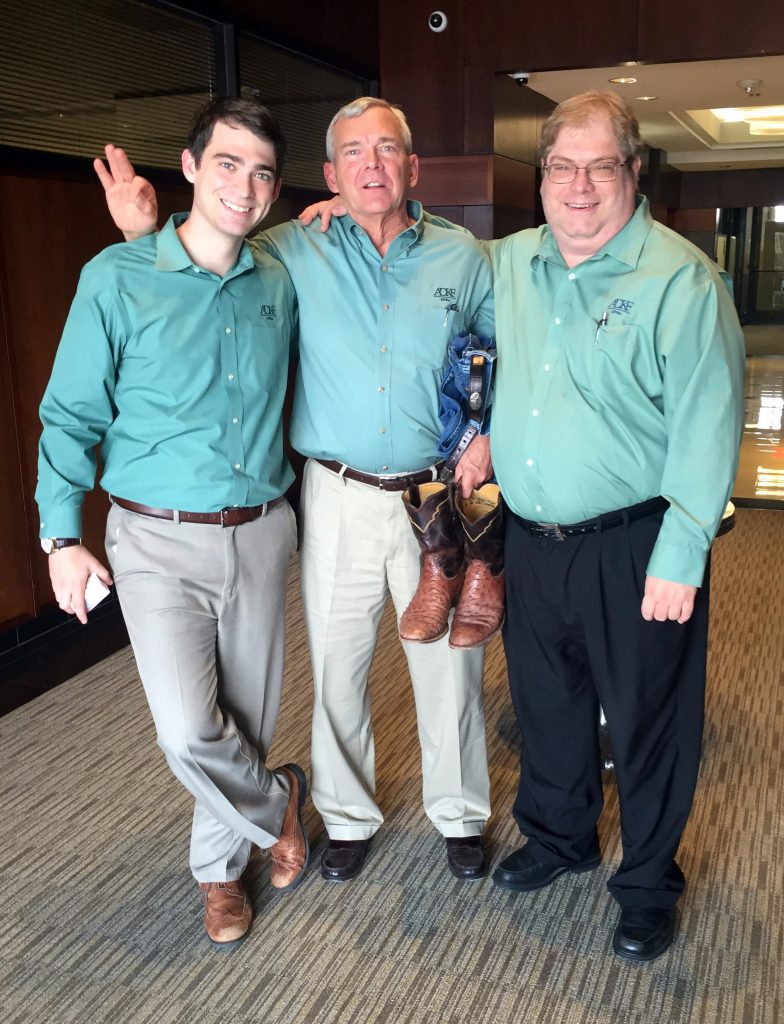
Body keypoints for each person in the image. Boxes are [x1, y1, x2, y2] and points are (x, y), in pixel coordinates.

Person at [99, 98, 496, 884]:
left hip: (435, 496)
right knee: (337, 666)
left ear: (414, 167)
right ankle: (346, 815)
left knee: (449, 665)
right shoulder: (289, 249)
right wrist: (143, 235)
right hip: (337, 492)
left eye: (387, 150)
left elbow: (497, 354)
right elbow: (205, 263)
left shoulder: (463, 256)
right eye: (354, 153)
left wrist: (489, 434)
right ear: (328, 174)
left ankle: (459, 814)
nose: (372, 166)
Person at [36, 96, 310, 949]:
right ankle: (280, 805)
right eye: (227, 164)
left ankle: (219, 872)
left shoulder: (278, 280)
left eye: (262, 172)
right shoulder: (117, 277)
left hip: (261, 529)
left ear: (275, 189)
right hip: (154, 538)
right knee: (189, 728)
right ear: (190, 167)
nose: (244, 186)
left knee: (246, 718)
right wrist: (61, 537)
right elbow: (70, 415)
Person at [487, 91, 745, 962]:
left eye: (600, 166)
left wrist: (683, 551)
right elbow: (422, 255)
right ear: (542, 176)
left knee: (646, 720)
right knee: (547, 702)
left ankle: (646, 884)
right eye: (562, 167)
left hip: (638, 544)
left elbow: (708, 425)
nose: (580, 186)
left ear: (632, 172)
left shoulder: (680, 278)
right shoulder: (512, 261)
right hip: (531, 540)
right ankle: (560, 838)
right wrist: (348, 208)